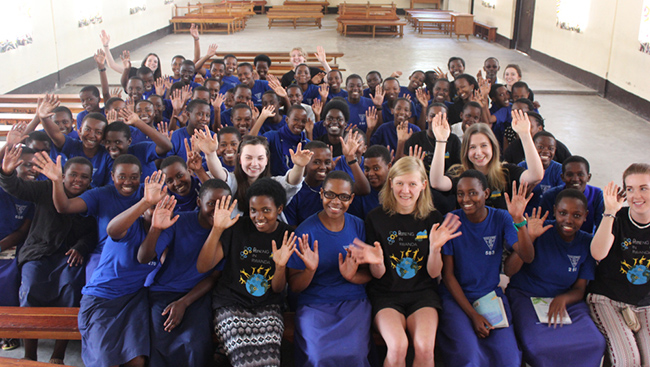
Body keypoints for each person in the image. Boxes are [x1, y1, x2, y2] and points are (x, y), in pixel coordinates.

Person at [349, 157, 462, 367]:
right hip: (386, 295)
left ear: (423, 186)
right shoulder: (375, 218)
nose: (405, 190)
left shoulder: (433, 218)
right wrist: (377, 262)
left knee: (425, 347)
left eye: (412, 184)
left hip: (423, 294)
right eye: (400, 183)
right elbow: (378, 275)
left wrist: (435, 248)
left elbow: (433, 274)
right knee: (398, 345)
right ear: (391, 183)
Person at [438, 170, 534, 367]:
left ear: (486, 194)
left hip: (490, 296)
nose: (466, 199)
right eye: (460, 193)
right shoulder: (451, 220)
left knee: (509, 359)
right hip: (456, 298)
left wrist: (519, 221)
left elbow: (527, 256)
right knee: (469, 355)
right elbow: (447, 276)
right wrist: (473, 315)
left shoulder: (501, 218)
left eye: (473, 192)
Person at [197, 178, 296, 367]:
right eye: (253, 210)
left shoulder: (286, 235)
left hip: (268, 306)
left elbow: (277, 289)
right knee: (243, 358)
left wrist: (280, 266)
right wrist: (217, 229)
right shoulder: (237, 228)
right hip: (230, 304)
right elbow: (203, 266)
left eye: (266, 210)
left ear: (279, 209)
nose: (259, 216)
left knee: (270, 361)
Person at [504, 189, 606, 367]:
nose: (568, 220)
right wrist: (531, 236)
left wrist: (563, 298)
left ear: (585, 216)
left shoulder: (586, 242)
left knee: (595, 342)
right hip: (527, 296)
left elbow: (580, 289)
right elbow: (510, 271)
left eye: (576, 215)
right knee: (539, 345)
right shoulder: (539, 229)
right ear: (554, 211)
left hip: (566, 300)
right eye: (562, 213)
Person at [77, 171, 169, 367]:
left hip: (132, 300)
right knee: (104, 361)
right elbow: (112, 229)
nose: (156, 211)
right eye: (152, 207)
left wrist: (156, 229)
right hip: (102, 298)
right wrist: (146, 201)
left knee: (136, 361)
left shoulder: (165, 232)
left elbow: (146, 257)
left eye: (162, 206)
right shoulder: (130, 226)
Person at [287, 171, 373, 367]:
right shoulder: (305, 232)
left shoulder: (359, 227)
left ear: (351, 199)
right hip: (314, 304)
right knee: (318, 357)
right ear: (321, 194)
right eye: (330, 195)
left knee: (355, 355)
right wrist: (309, 270)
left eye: (343, 197)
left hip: (353, 302)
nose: (335, 202)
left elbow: (370, 275)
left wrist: (351, 277)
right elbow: (294, 286)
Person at [140, 179, 230, 367]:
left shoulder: (228, 231)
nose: (217, 210)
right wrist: (156, 228)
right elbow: (145, 257)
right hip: (163, 291)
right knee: (159, 339)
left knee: (193, 342)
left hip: (197, 295)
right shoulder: (179, 221)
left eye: (223, 204)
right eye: (211, 204)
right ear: (199, 203)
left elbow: (213, 277)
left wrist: (184, 302)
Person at [588, 163, 650, 367]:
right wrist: (609, 212)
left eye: (644, 188)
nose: (636, 196)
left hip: (645, 302)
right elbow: (597, 253)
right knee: (627, 360)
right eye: (630, 189)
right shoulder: (617, 218)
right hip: (608, 299)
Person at [429, 111, 544, 210]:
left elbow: (536, 175)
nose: (478, 153)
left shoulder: (507, 171)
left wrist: (525, 135)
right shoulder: (459, 174)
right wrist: (441, 140)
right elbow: (436, 182)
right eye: (472, 147)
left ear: (493, 147)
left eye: (484, 146)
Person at [199, 131, 312, 218]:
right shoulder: (233, 180)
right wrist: (210, 153)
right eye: (248, 158)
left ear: (267, 160)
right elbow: (219, 173)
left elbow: (292, 182)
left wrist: (299, 166)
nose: (254, 164)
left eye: (260, 158)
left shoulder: (274, 184)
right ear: (239, 159)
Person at [540, 155, 604, 234]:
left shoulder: (597, 194)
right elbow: (544, 225)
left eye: (580, 174)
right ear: (562, 177)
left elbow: (601, 225)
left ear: (588, 177)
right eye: (570, 175)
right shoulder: (550, 196)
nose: (575, 179)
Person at [518, 131, 563, 215]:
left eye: (550, 148)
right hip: (526, 215)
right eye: (540, 147)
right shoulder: (521, 167)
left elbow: (561, 197)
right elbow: (518, 197)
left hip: (549, 216)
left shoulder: (559, 169)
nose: (546, 151)